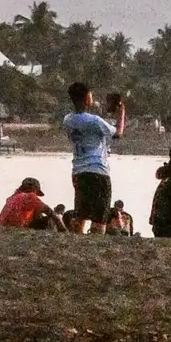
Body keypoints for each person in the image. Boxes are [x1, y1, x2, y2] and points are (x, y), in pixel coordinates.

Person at [62, 82, 126, 233]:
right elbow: (118, 133)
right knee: (99, 216)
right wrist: (121, 113)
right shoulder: (94, 121)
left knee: (81, 213)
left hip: (78, 171)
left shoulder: (68, 120)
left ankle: (75, 241)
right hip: (97, 170)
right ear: (86, 98)